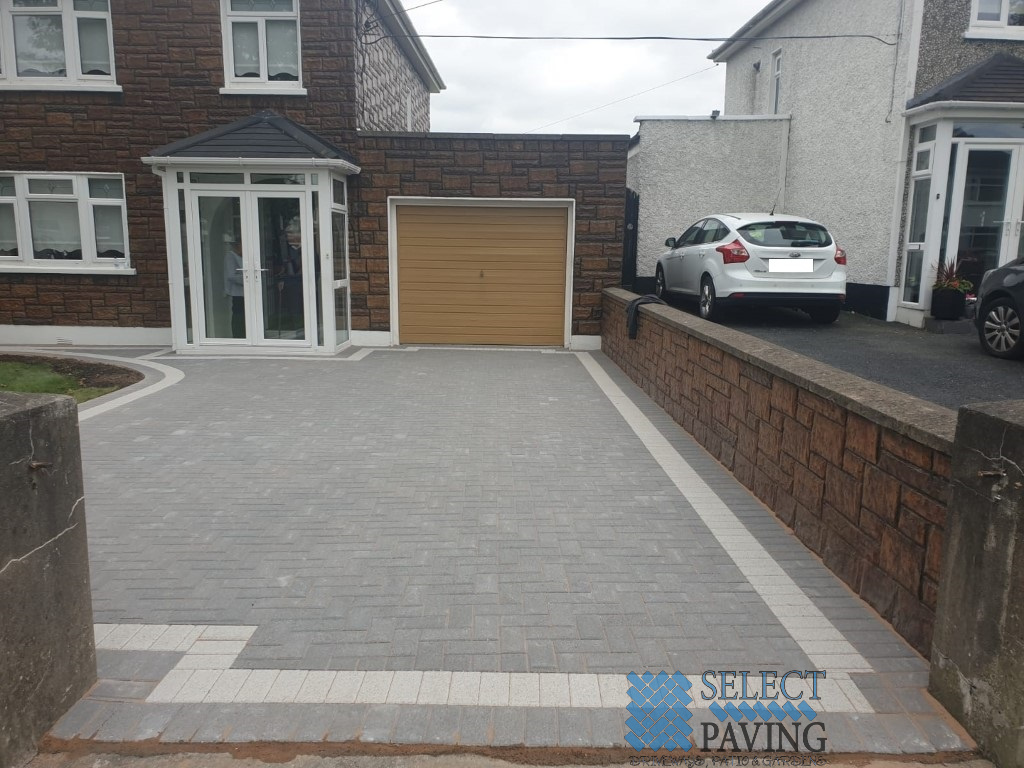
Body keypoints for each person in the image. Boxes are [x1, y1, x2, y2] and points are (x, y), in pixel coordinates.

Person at [223, 236, 245, 338]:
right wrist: (246, 279)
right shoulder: (231, 256)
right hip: (238, 293)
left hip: (246, 293)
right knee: (238, 314)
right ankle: (238, 336)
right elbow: (231, 275)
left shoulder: (242, 257)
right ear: (237, 245)